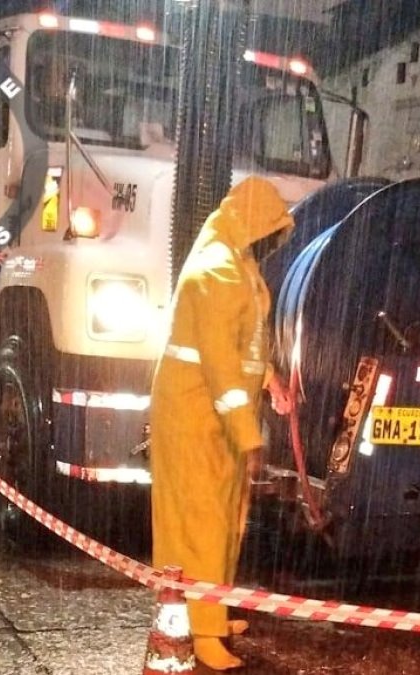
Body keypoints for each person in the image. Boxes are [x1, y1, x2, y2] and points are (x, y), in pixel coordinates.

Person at [150, 177, 294, 671]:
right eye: (267, 228)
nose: (270, 240)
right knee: (201, 520)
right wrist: (248, 435)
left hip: (220, 417)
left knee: (227, 518)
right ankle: (202, 628)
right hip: (194, 415)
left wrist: (271, 380)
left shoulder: (238, 262)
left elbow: (245, 343)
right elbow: (219, 365)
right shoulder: (214, 272)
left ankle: (211, 606)